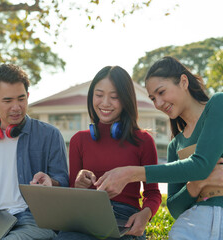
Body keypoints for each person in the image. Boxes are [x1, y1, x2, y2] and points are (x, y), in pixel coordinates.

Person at [94, 56, 223, 239]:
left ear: (183, 82)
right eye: (153, 98)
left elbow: (201, 165)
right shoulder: (175, 145)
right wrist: (198, 183)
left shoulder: (221, 104)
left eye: (161, 92)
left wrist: (131, 173)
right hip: (195, 225)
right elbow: (175, 207)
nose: (158, 103)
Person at [55, 66, 162, 240]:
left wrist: (145, 215)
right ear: (91, 97)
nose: (105, 103)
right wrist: (79, 186)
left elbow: (152, 193)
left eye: (114, 97)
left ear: (126, 100)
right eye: (99, 95)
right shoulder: (78, 140)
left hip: (125, 218)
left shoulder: (143, 140)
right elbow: (73, 195)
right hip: (85, 218)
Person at [0, 64, 69, 240]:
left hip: (37, 220)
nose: (16, 107)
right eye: (8, 101)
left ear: (28, 96)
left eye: (21, 99)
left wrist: (51, 183)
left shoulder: (49, 135)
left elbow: (63, 182)